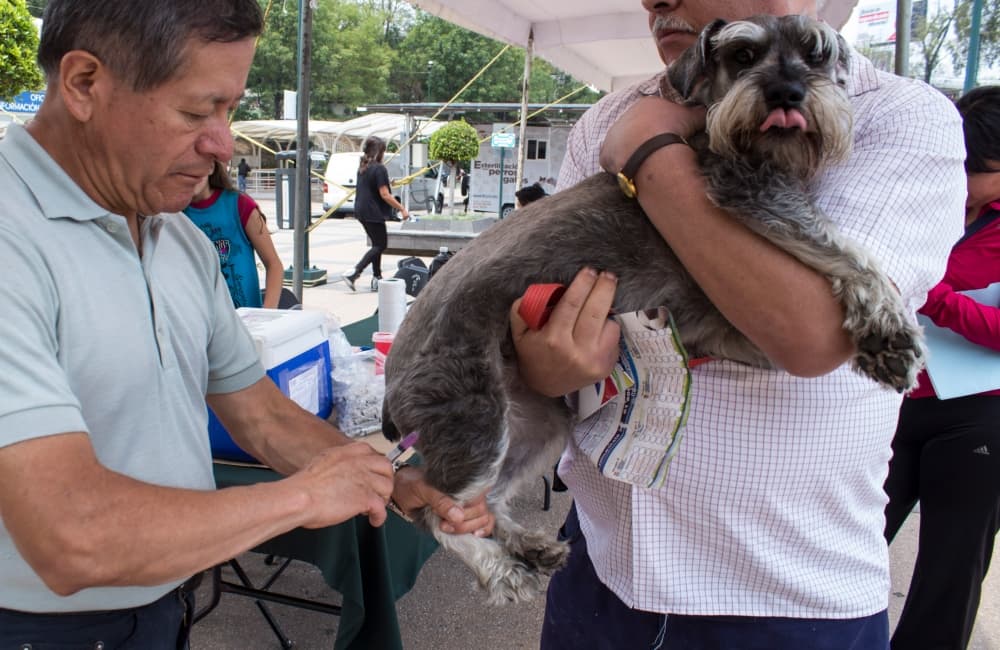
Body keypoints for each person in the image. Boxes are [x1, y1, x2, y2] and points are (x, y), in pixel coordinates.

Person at [0, 1, 492, 645]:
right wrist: (305, 497)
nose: (222, 143)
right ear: (84, 83)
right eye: (196, 110)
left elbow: (257, 412)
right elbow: (71, 538)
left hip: (165, 603)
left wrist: (387, 480)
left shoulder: (172, 234)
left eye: (229, 109)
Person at [507, 0, 967, 647]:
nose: (653, 1)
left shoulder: (898, 116)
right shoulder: (605, 118)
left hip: (786, 602)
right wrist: (546, 369)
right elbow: (565, 325)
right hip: (601, 572)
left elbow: (813, 334)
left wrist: (652, 151)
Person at [883, 85, 1000, 650]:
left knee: (950, 570)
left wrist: (930, 292)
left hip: (980, 413)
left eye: (976, 167)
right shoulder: (930, 196)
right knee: (847, 540)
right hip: (898, 398)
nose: (963, 176)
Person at [184, 160, 283, 308]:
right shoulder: (171, 216)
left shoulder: (240, 204)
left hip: (247, 321)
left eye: (196, 166)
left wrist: (267, 312)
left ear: (211, 166)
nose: (191, 175)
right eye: (183, 169)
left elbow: (273, 264)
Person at [342, 136, 410, 292]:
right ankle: (354, 272)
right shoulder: (379, 168)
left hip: (360, 210)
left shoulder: (363, 167)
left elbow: (374, 186)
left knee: (376, 245)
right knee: (380, 245)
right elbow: (385, 195)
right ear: (379, 152)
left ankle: (377, 278)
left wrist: (387, 182)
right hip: (372, 211)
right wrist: (402, 209)